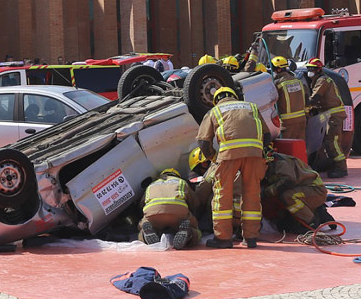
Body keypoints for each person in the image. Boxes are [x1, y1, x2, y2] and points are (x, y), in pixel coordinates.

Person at [196, 86, 269, 248]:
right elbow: (267, 134)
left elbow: (203, 141)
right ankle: (250, 238)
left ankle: (223, 238)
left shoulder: (215, 111)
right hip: (254, 154)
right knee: (252, 193)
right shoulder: (251, 107)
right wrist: (260, 152)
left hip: (228, 155)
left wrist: (214, 158)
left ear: (217, 100)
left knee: (223, 193)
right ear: (235, 96)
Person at [260, 142, 333, 234]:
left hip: (316, 191)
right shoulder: (272, 163)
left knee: (287, 196)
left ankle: (311, 222)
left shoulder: (280, 163)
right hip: (307, 191)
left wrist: (265, 192)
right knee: (285, 222)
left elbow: (288, 181)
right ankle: (319, 211)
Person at [303, 58, 348, 178]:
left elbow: (315, 98)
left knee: (332, 142)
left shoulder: (322, 80)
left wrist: (305, 110)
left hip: (334, 116)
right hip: (327, 115)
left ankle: (341, 168)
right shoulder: (318, 79)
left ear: (318, 70)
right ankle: (327, 164)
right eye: (308, 69)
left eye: (311, 69)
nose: (309, 71)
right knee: (324, 142)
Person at [138, 168, 197, 249]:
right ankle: (189, 234)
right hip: (178, 212)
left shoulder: (152, 184)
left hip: (153, 212)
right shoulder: (181, 182)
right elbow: (194, 202)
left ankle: (145, 235)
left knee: (142, 225)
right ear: (177, 176)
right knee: (194, 227)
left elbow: (141, 204)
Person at [269, 56, 308, 142]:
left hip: (287, 122)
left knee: (287, 148)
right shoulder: (298, 81)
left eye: (274, 69)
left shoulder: (278, 84)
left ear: (278, 69)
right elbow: (306, 97)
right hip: (302, 119)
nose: (273, 71)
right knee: (300, 146)